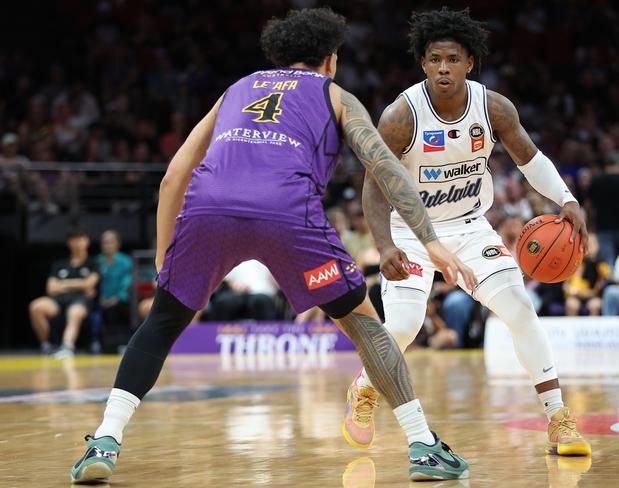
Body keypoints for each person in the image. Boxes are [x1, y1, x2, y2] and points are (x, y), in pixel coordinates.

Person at [70, 8, 477, 484]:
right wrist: (430, 240)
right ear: (330, 60)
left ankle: (104, 439)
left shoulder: (236, 89)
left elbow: (173, 176)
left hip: (209, 210)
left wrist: (165, 257)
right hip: (288, 212)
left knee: (161, 322)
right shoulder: (336, 95)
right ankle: (423, 446)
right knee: (364, 324)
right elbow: (385, 169)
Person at [344, 8, 591, 458]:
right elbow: (375, 191)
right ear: (422, 63)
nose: (443, 68)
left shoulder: (493, 107)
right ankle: (364, 386)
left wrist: (568, 201)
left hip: (471, 227)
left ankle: (558, 418)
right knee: (401, 326)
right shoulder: (401, 115)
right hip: (411, 231)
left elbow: (531, 161)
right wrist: (384, 246)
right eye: (435, 59)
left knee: (519, 308)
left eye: (453, 59)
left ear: (469, 62)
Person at [29, 229, 99, 358]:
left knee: (74, 312)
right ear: (69, 242)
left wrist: (63, 284)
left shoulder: (93, 263)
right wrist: (79, 284)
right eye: (74, 239)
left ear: (87, 241)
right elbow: (50, 288)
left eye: (81, 238)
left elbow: (89, 284)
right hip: (57, 301)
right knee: (36, 306)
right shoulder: (59, 264)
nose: (77, 242)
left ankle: (67, 346)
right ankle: (47, 345)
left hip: (80, 300)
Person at [563, 234, 609, 316]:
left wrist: (591, 293)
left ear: (598, 246)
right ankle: (571, 328)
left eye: (593, 244)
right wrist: (572, 291)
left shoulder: (602, 265)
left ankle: (594, 328)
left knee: (596, 305)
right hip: (575, 295)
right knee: (572, 304)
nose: (590, 247)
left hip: (592, 296)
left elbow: (603, 285)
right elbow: (565, 285)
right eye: (588, 244)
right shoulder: (575, 262)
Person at [97, 230, 132, 326]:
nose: (108, 245)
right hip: (101, 300)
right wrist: (101, 298)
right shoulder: (98, 261)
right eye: (105, 242)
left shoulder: (126, 261)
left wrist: (117, 298)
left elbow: (127, 282)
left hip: (121, 300)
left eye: (111, 242)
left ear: (118, 244)